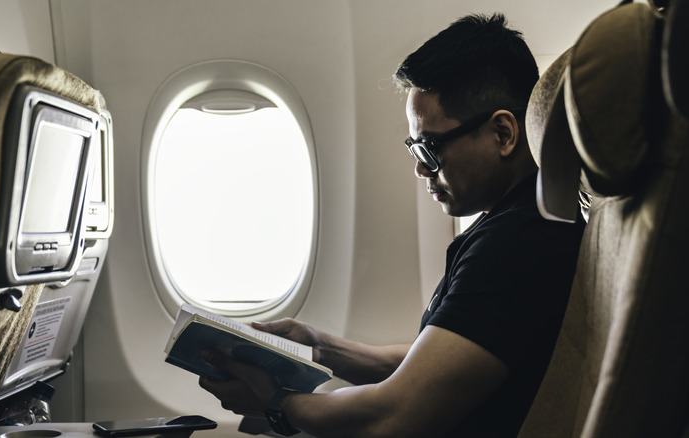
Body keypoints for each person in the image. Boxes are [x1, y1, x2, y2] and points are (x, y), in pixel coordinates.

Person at [199, 13, 585, 438]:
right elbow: (444, 360)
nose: (421, 169)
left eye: (430, 147)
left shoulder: (519, 244)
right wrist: (319, 347)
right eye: (413, 147)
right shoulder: (521, 221)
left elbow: (392, 416)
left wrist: (277, 404)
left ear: (503, 133)